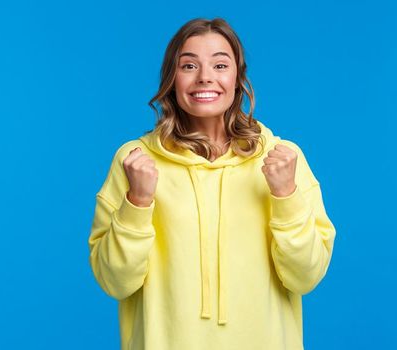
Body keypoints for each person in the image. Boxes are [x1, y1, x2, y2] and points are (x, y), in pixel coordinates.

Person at [88, 17, 336, 350]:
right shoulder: (134, 161)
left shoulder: (284, 159)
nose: (205, 76)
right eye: (189, 65)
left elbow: (306, 277)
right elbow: (114, 282)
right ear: (172, 79)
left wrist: (285, 195)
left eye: (220, 64)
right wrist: (137, 201)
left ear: (237, 77)